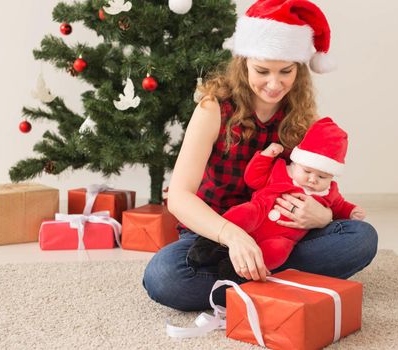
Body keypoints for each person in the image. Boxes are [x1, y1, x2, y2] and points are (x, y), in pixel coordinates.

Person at [143, 0, 378, 311]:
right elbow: (179, 197)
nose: (274, 83)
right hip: (216, 234)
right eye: (262, 70)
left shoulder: (302, 118)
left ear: (299, 69)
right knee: (164, 276)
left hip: (280, 232)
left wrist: (324, 216)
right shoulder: (214, 109)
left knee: (361, 237)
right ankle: (279, 282)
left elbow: (317, 184)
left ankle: (251, 278)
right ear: (243, 64)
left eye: (286, 71)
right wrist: (234, 237)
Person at [187, 117, 367, 279]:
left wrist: (350, 211)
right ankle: (209, 244)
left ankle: (240, 271)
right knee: (243, 214)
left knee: (278, 252)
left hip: (284, 236)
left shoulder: (329, 192)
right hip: (259, 212)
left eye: (322, 177)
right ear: (295, 162)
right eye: (307, 171)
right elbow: (253, 178)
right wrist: (265, 157)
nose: (313, 179)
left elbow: (339, 206)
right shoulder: (280, 169)